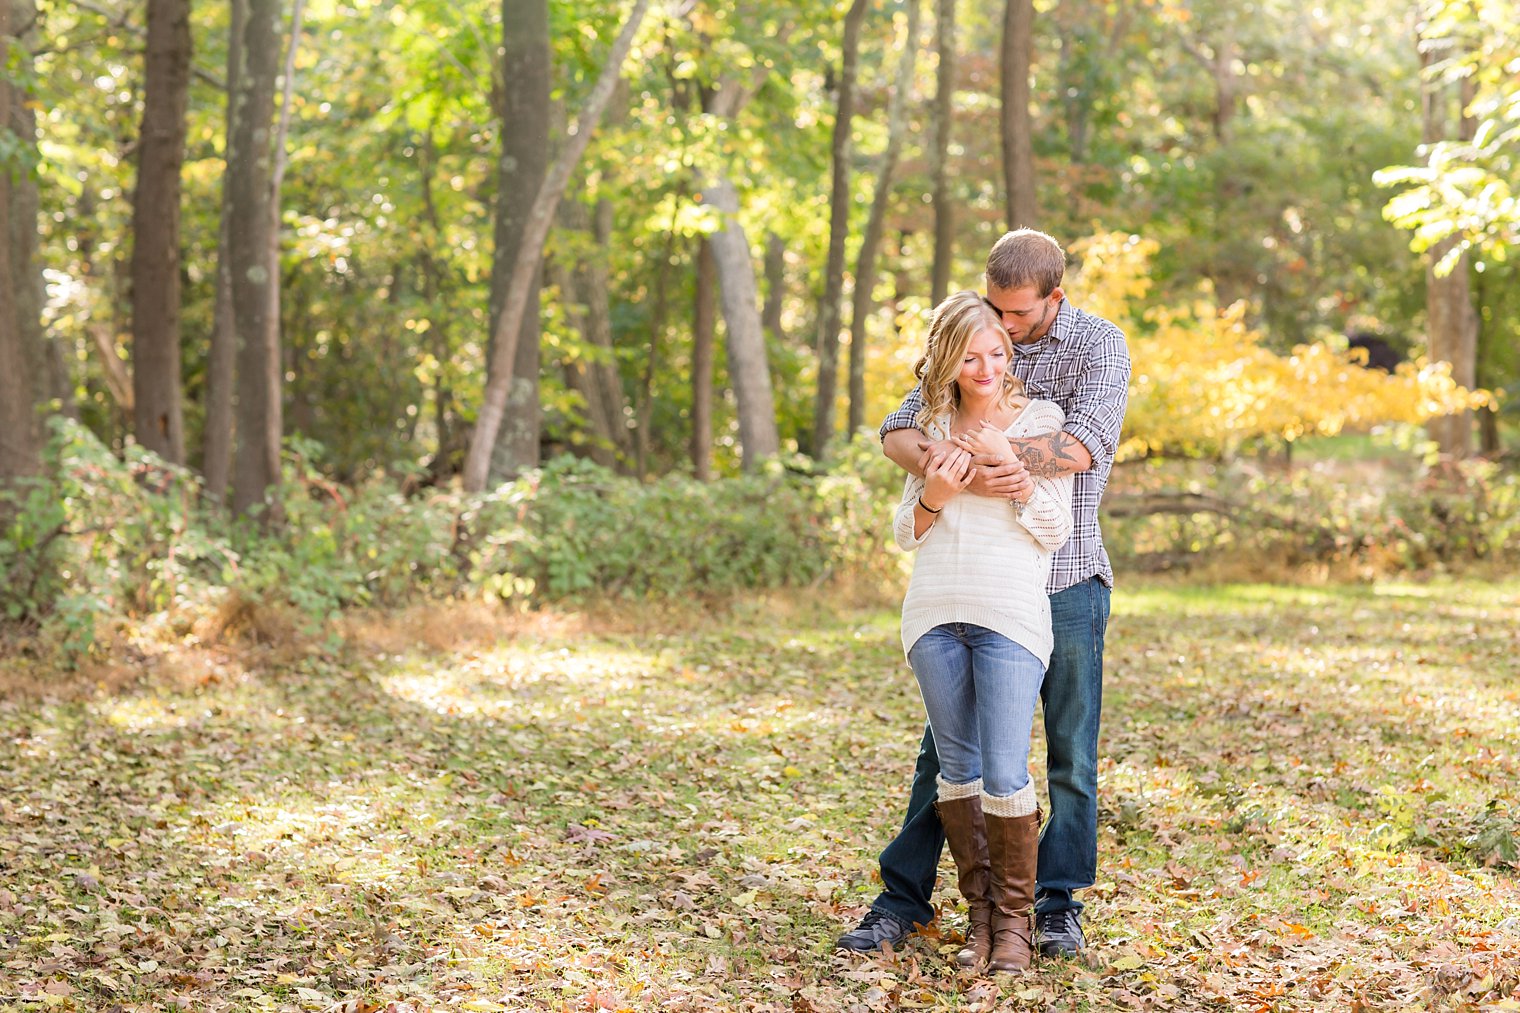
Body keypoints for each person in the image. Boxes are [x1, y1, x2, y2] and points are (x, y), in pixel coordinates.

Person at [838, 229, 1130, 959]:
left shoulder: (1098, 345)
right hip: (965, 584)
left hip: (1067, 575)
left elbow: (1087, 443)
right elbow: (900, 428)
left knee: (1067, 755)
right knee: (945, 754)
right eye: (994, 310)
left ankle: (1053, 905)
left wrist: (1000, 457)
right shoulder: (978, 333)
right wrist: (944, 460)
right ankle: (906, 897)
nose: (1002, 328)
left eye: (1018, 317)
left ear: (1053, 299)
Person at [890, 290, 1073, 972]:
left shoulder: (1040, 422)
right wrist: (935, 493)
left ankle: (1015, 928)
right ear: (950, 360)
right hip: (934, 614)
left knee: (1004, 768)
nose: (988, 365)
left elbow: (1056, 529)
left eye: (997, 352)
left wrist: (1015, 470)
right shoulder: (930, 425)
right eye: (971, 355)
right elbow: (905, 531)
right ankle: (980, 922)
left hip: (1010, 618)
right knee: (959, 770)